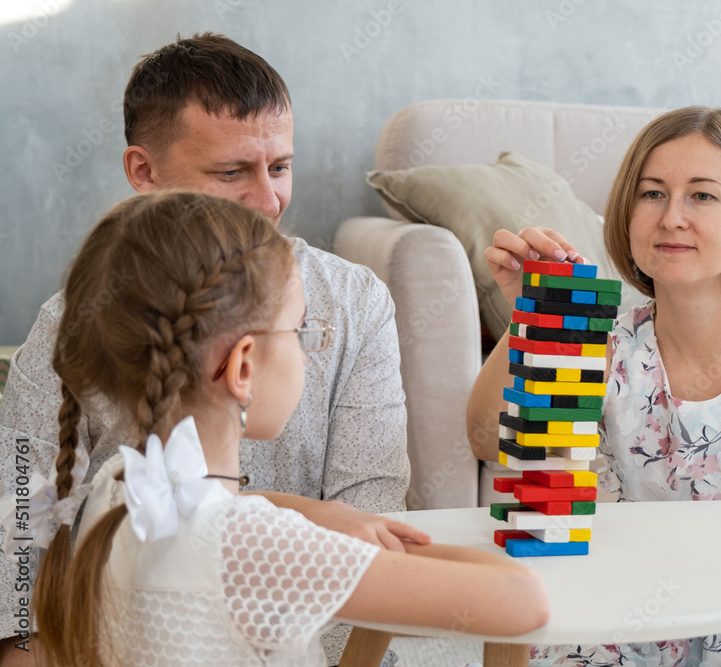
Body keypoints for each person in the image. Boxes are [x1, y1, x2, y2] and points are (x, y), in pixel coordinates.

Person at [0, 34, 413, 665]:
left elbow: (369, 514)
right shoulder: (69, 325)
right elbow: (20, 528)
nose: (269, 200)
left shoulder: (355, 302)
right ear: (145, 171)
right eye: (231, 173)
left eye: (280, 166)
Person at [4, 191, 549, 667]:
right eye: (299, 331)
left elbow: (227, 510)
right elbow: (523, 600)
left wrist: (317, 514)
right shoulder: (262, 549)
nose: (308, 352)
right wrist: (404, 555)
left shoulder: (123, 487)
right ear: (242, 367)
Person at [466, 107, 721, 666]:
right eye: (652, 194)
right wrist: (533, 317)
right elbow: (488, 439)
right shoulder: (599, 343)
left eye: (702, 196)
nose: (671, 218)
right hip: (610, 644)